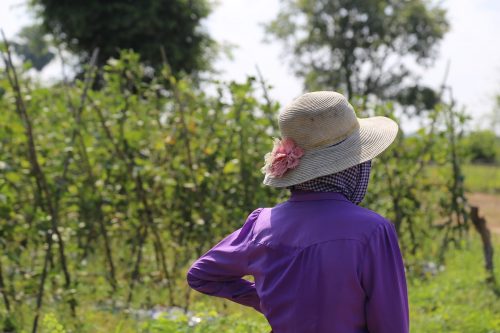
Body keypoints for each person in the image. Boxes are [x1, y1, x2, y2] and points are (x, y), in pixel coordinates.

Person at [186, 91, 409, 333]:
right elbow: (391, 324)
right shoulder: (373, 231)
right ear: (353, 167)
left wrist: (266, 300)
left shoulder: (262, 225)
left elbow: (201, 274)